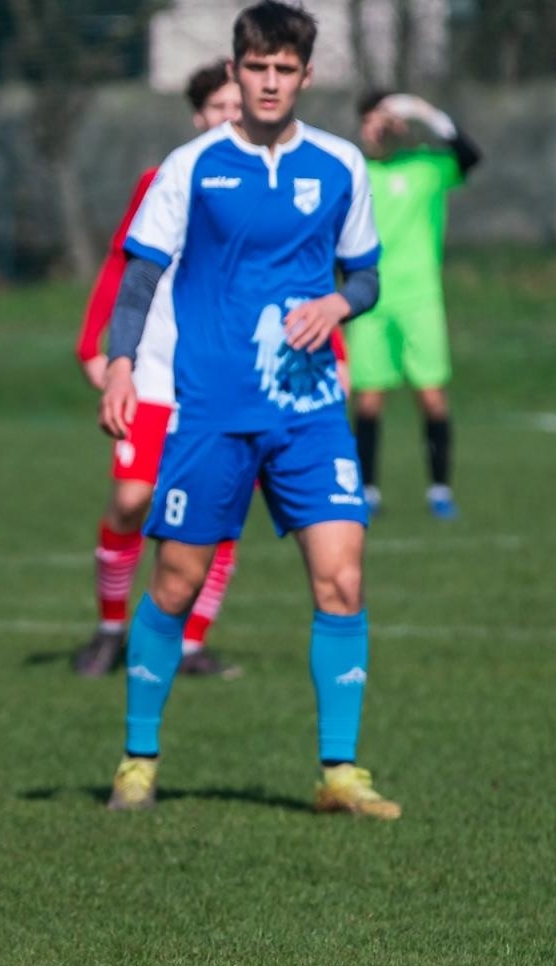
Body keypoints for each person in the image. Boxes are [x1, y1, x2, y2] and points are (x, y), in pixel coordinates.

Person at [98, 1, 400, 819]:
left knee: (342, 576)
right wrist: (123, 363)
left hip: (310, 411)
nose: (269, 83)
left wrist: (340, 306)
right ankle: (138, 756)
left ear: (307, 75)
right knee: (175, 582)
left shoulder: (342, 166)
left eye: (284, 70)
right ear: (236, 71)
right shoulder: (191, 166)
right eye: (255, 69)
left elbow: (367, 277)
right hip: (212, 413)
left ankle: (339, 771)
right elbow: (140, 274)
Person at [72, 59, 244, 680]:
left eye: (238, 105)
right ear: (198, 115)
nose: (230, 116)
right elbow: (126, 265)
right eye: (218, 107)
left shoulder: (267, 180)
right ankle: (110, 628)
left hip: (226, 378)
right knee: (131, 498)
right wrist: (96, 346)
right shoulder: (166, 177)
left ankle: (192, 642)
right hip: (154, 368)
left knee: (218, 507)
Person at [347, 91, 481, 520]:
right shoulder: (354, 172)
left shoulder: (427, 167)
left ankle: (440, 490)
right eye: (373, 119)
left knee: (432, 397)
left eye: (389, 118)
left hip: (420, 300)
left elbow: (470, 156)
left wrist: (429, 114)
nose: (382, 126)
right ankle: (367, 489)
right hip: (369, 302)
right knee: (367, 400)